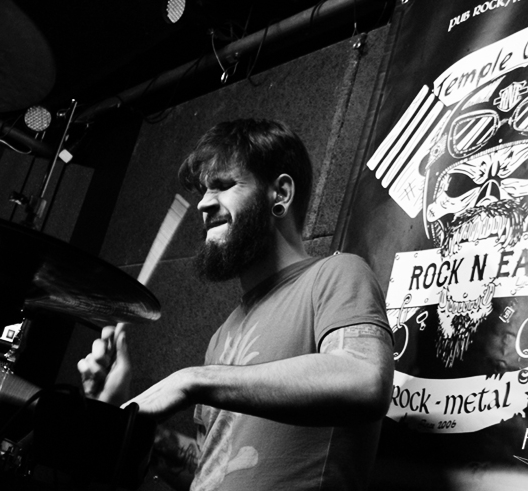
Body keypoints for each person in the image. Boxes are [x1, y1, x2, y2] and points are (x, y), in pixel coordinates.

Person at [78, 119, 394, 491]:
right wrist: (126, 418)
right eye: (203, 190)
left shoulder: (336, 274)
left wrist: (191, 381)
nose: (203, 203)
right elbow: (211, 467)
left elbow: (364, 379)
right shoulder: (223, 334)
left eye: (224, 185)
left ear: (280, 193)